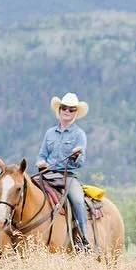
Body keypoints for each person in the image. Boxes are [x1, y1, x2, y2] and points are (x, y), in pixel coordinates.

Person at [37, 91, 91, 251]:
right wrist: (41, 162)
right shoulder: (49, 133)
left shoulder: (79, 135)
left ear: (76, 113)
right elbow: (42, 155)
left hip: (68, 176)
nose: (67, 111)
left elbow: (81, 162)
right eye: (64, 108)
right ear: (59, 110)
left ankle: (83, 239)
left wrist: (75, 156)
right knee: (22, 193)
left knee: (78, 201)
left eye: (71, 109)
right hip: (46, 175)